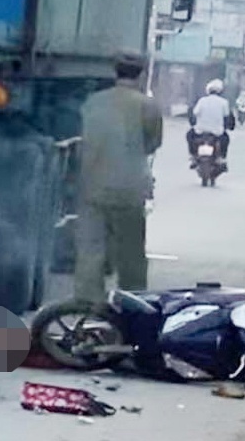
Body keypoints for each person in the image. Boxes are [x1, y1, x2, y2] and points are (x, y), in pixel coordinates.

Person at [74, 50, 163, 305]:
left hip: (92, 186)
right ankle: (132, 304)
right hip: (129, 190)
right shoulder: (147, 106)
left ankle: (89, 304)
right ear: (142, 74)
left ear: (115, 71)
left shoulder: (93, 102)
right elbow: (153, 143)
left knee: (91, 250)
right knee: (131, 253)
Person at [187, 79, 235, 168]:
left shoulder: (202, 101)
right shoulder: (224, 102)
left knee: (189, 135)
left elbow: (195, 113)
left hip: (200, 130)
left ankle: (193, 156)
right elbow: (227, 116)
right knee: (226, 139)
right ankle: (221, 157)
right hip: (217, 132)